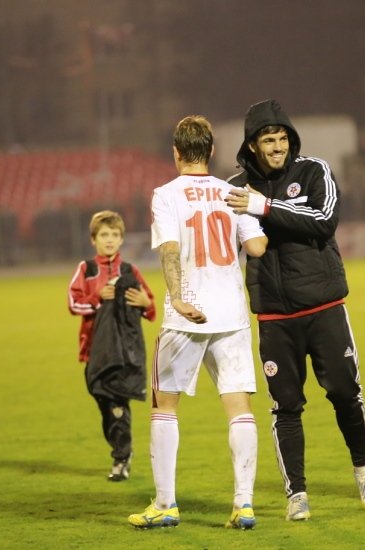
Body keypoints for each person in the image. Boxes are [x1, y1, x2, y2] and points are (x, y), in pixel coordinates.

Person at [225, 99, 365, 520]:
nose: (277, 147)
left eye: (282, 139)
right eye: (268, 140)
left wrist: (264, 207)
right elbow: (228, 243)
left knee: (345, 393)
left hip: (323, 306)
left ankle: (364, 470)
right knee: (286, 406)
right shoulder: (236, 187)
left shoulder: (314, 171)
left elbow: (324, 220)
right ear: (253, 145)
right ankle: (296, 493)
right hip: (274, 315)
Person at [128, 115, 267, 530]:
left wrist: (176, 296)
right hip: (231, 313)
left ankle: (165, 504)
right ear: (211, 151)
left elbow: (169, 249)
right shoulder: (233, 193)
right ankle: (244, 505)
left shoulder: (166, 195)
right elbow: (257, 247)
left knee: (164, 405)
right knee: (239, 407)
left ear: (176, 152)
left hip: (187, 314)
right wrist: (257, 205)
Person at [68, 210, 156, 481]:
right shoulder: (86, 269)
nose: (109, 239)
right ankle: (120, 448)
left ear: (121, 239)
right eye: (104, 235)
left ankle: (121, 457)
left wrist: (145, 303)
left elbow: (150, 307)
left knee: (118, 404)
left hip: (125, 353)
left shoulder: (130, 271)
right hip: (94, 351)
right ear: (93, 239)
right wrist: (97, 297)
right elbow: (73, 303)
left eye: (114, 235)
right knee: (104, 402)